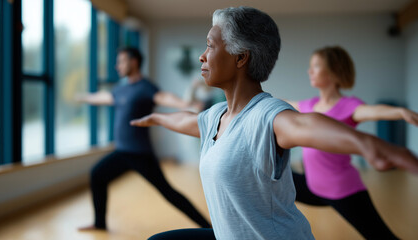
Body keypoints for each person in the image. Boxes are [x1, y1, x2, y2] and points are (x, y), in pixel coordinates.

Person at [130, 7, 418, 240]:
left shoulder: (267, 115)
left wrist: (365, 144)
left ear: (241, 58)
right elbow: (188, 120)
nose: (203, 56)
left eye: (209, 46)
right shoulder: (216, 116)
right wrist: (157, 118)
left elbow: (304, 125)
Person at [283, 46, 418, 239]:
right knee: (272, 176)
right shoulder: (308, 106)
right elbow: (283, 102)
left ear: (333, 70)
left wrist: (400, 112)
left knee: (381, 236)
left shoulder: (348, 106)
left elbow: (372, 110)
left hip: (342, 190)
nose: (309, 71)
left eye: (315, 66)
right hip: (312, 186)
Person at [76, 47, 211, 231]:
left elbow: (164, 97)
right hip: (122, 152)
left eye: (121, 61)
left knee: (168, 192)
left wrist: (185, 104)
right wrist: (84, 97)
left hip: (140, 154)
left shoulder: (145, 87)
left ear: (134, 62)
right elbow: (104, 97)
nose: (117, 66)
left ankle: (207, 228)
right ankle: (100, 223)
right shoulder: (121, 89)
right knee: (97, 175)